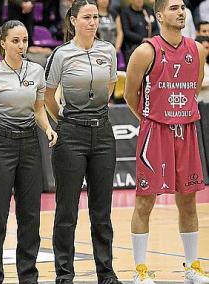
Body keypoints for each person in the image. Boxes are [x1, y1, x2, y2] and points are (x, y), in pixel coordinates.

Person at [124, 0, 209, 283]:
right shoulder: (146, 50)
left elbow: (193, 89)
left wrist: (176, 113)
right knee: (145, 203)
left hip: (186, 130)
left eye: (183, 6)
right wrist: (151, 120)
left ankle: (192, 267)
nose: (181, 11)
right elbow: (130, 94)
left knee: (189, 203)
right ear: (159, 14)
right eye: (173, 7)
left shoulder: (196, 50)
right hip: (155, 132)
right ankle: (140, 270)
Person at [0, 20, 57, 284]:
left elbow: (39, 108)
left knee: (30, 215)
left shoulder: (36, 71)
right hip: (0, 145)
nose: (21, 45)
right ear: (3, 43)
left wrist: (48, 129)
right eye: (16, 40)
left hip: (30, 143)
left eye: (25, 40)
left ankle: (28, 276)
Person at [44, 0, 121, 283]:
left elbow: (110, 87)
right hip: (71, 136)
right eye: (86, 17)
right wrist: (64, 120)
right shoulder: (61, 54)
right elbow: (48, 96)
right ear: (73, 20)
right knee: (67, 211)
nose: (92, 22)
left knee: (102, 211)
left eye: (96, 17)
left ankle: (106, 273)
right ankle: (64, 274)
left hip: (102, 134)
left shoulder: (108, 50)